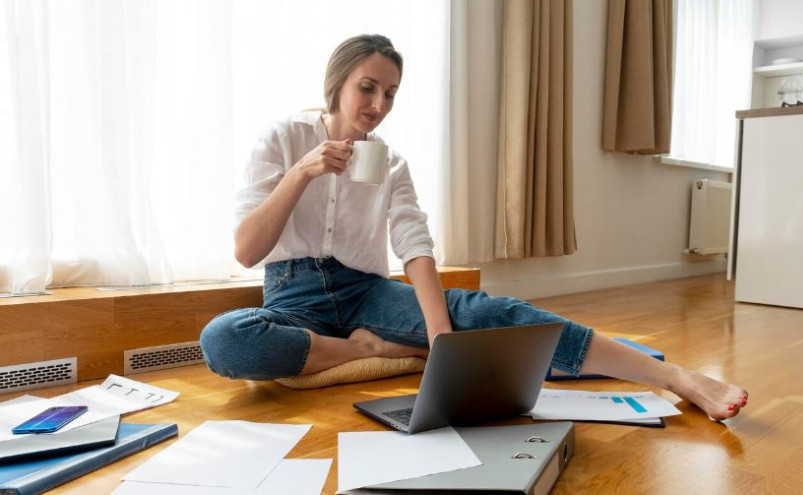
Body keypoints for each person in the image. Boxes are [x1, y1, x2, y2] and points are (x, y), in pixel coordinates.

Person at [200, 34, 748, 421]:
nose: (378, 104)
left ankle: (676, 378)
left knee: (490, 312)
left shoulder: (390, 163)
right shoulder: (282, 138)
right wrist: (303, 171)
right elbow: (249, 252)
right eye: (368, 87)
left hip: (365, 290)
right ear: (338, 82)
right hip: (291, 293)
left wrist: (441, 339)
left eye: (390, 93)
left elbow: (413, 245)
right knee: (225, 340)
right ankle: (371, 350)